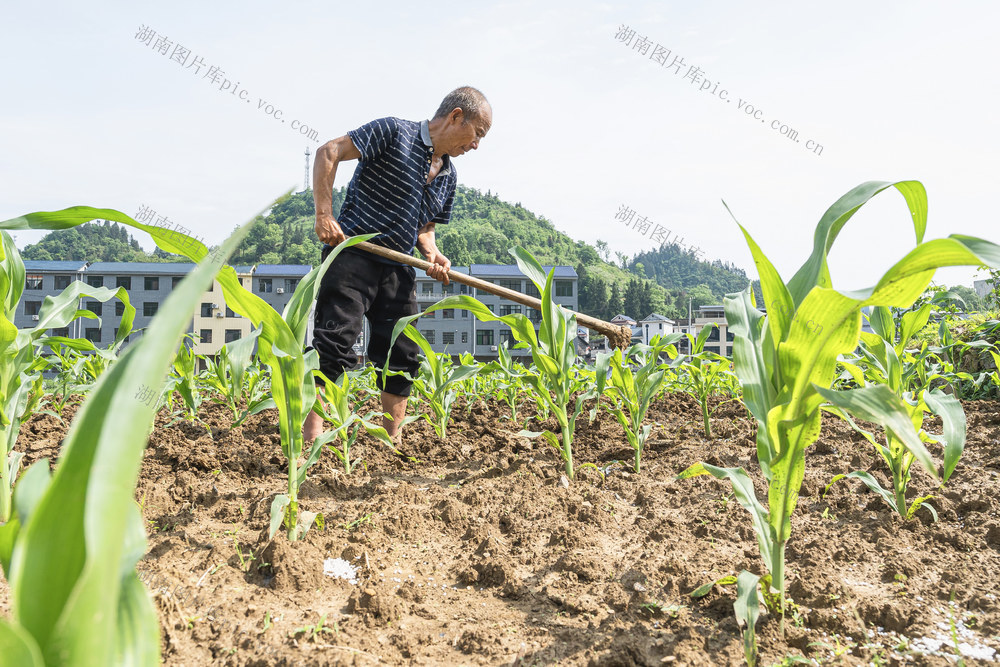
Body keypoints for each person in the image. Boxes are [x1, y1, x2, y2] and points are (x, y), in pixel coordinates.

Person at [304, 87, 492, 446]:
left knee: (402, 354)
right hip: (353, 255)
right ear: (455, 116)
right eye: (477, 133)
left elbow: (425, 227)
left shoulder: (449, 176)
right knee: (335, 343)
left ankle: (390, 443)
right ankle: (310, 440)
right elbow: (329, 151)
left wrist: (432, 254)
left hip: (397, 267)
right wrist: (324, 214)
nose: (476, 145)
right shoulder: (393, 132)